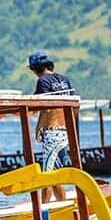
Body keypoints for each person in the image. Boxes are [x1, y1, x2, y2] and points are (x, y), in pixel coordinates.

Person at [29, 50, 78, 203]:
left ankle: (43, 209)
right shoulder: (65, 80)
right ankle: (62, 206)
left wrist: (38, 127)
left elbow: (46, 108)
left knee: (47, 176)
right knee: (56, 173)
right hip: (65, 132)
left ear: (35, 68)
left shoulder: (43, 81)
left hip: (52, 132)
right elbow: (75, 106)